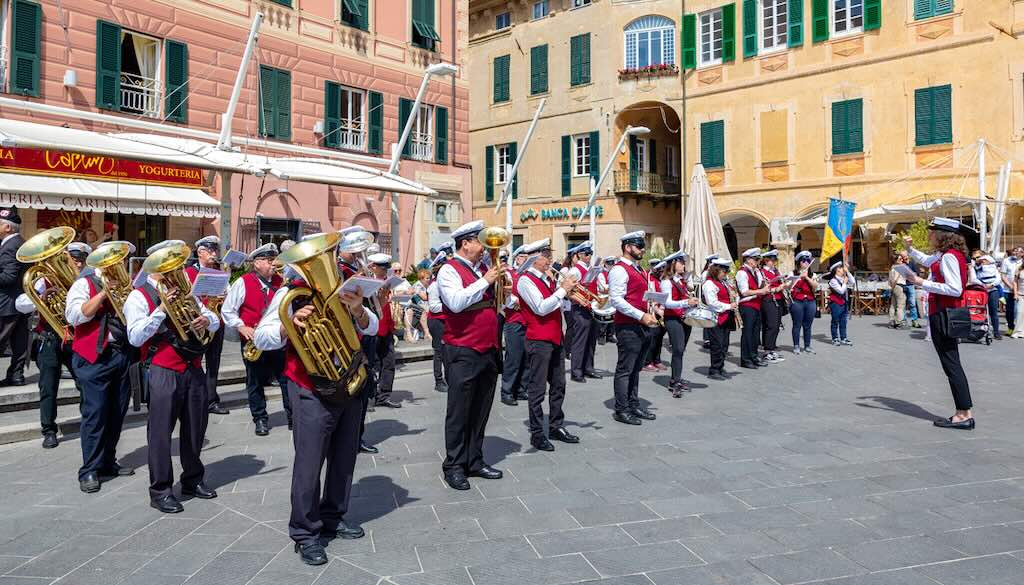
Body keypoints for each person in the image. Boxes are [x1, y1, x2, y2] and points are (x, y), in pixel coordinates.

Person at [253, 253, 377, 566]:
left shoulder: (348, 289)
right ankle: (305, 532)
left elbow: (373, 328)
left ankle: (333, 515)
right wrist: (287, 324)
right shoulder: (288, 293)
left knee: (345, 455)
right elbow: (261, 337)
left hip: (349, 381)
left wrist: (359, 310)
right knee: (309, 462)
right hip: (310, 387)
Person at [126, 243, 220, 513]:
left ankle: (192, 479)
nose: (176, 270)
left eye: (177, 265)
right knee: (160, 433)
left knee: (195, 427)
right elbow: (135, 336)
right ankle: (161, 490)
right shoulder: (138, 296)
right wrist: (162, 310)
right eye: (169, 266)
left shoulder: (186, 291)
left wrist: (205, 320)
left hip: (193, 367)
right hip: (163, 369)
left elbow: (212, 317)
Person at [436, 220, 505, 490]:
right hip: (463, 349)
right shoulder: (448, 271)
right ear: (466, 243)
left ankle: (474, 460)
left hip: (488, 348)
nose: (486, 246)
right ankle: (453, 465)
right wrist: (485, 282)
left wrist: (503, 291)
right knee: (459, 411)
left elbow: (497, 304)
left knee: (480, 409)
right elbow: (455, 303)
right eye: (481, 240)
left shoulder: (484, 268)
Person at [65, 242, 135, 493]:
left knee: (117, 412)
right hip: (93, 357)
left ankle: (107, 461)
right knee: (95, 414)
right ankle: (89, 470)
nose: (116, 265)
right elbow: (74, 316)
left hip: (120, 354)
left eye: (119, 260)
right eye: (112, 260)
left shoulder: (126, 285)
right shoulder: (84, 284)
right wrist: (104, 293)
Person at [901, 219, 976, 429]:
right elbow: (926, 260)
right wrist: (910, 249)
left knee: (951, 364)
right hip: (942, 312)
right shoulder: (945, 255)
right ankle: (964, 411)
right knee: (951, 364)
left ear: (942, 235)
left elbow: (955, 289)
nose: (929, 235)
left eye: (932, 232)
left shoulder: (950, 257)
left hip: (944, 313)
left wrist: (921, 282)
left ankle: (963, 414)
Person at [16, 241, 90, 448]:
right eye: (71, 260)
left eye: (80, 261)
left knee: (85, 382)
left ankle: (89, 421)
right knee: (48, 386)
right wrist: (40, 298)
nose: (76, 264)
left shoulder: (86, 282)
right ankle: (48, 430)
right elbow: (20, 304)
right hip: (50, 338)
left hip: (77, 338)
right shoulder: (45, 280)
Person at [515, 239, 579, 451]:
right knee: (537, 389)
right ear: (534, 258)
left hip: (555, 337)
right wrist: (562, 291)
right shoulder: (525, 281)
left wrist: (570, 295)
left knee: (559, 385)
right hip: (538, 340)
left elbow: (556, 305)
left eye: (549, 255)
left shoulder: (547, 278)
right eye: (546, 255)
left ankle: (555, 425)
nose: (550, 259)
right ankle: (536, 433)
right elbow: (541, 308)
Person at [221, 243, 291, 436]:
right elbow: (227, 310)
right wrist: (241, 326)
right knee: (255, 380)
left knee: (286, 378)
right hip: (254, 340)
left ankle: (292, 415)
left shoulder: (281, 282)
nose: (274, 264)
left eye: (274, 259)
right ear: (257, 263)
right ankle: (260, 418)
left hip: (278, 337)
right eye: (269, 260)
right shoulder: (243, 282)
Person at [607, 231, 659, 426]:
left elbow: (641, 295)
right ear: (628, 247)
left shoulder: (638, 269)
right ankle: (621, 409)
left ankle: (633, 403)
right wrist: (641, 315)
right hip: (628, 325)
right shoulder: (619, 270)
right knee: (625, 369)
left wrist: (652, 308)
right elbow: (617, 300)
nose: (643, 249)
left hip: (642, 324)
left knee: (636, 368)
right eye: (639, 246)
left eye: (642, 245)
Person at [185, 235, 230, 416]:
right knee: (194, 360)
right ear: (200, 252)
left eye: (216, 251)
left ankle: (211, 399)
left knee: (214, 361)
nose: (214, 254)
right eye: (210, 251)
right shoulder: (189, 272)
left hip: (216, 321)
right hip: (197, 322)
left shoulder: (218, 271)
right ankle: (195, 396)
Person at [660, 251, 699, 397]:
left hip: (684, 318)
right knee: (677, 349)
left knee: (681, 351)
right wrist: (685, 302)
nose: (684, 265)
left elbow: (683, 298)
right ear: (673, 264)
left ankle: (675, 378)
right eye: (681, 262)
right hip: (672, 319)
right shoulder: (666, 282)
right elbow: (667, 303)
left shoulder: (681, 281)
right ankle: (674, 381)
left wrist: (692, 303)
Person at [0, 207, 29, 387]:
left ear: (8, 228)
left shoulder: (10, 246)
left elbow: (9, 277)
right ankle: (16, 375)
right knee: (19, 341)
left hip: (7, 302)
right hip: (19, 302)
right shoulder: (19, 243)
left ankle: (16, 375)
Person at [367, 253, 400, 409]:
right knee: (371, 364)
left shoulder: (385, 281)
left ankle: (384, 396)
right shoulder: (367, 281)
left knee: (389, 363)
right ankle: (369, 397)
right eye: (383, 267)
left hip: (386, 327)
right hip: (372, 328)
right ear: (373, 266)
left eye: (387, 267)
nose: (386, 270)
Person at [566, 241, 601, 383]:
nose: (589, 256)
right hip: (580, 308)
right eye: (586, 254)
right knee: (580, 341)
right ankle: (576, 371)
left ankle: (588, 368)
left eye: (590, 253)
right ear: (579, 255)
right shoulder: (575, 270)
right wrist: (579, 300)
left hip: (591, 307)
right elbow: (565, 289)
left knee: (591, 340)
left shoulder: (591, 268)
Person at [500, 245, 530, 406]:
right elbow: (502, 296)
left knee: (526, 357)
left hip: (528, 320)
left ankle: (521, 389)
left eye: (527, 257)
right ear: (517, 258)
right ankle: (507, 391)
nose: (525, 259)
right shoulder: (508, 273)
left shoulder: (528, 274)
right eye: (522, 256)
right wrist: (513, 301)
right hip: (514, 321)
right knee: (513, 357)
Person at [703, 258, 738, 381]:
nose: (725, 274)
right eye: (724, 271)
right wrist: (729, 306)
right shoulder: (709, 283)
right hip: (716, 318)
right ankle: (714, 369)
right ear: (716, 270)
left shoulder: (723, 282)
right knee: (717, 345)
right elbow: (712, 302)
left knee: (724, 344)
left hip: (726, 317)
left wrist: (734, 298)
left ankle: (720, 367)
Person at [736, 248, 769, 368]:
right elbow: (744, 292)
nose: (758, 262)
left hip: (757, 305)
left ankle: (754, 356)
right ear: (748, 260)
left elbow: (760, 286)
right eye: (756, 259)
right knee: (748, 333)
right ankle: (746, 359)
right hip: (747, 306)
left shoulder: (757, 272)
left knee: (755, 333)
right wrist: (761, 290)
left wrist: (765, 285)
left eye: (758, 259)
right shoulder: (742, 273)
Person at [426, 252, 449, 392]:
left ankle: (448, 378)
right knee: (439, 352)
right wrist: (452, 305)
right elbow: (434, 307)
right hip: (437, 322)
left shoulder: (445, 284)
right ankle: (438, 380)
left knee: (447, 351)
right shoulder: (434, 285)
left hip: (446, 320)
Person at [759, 250, 786, 363]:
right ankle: (767, 350)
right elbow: (762, 287)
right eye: (772, 260)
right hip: (768, 300)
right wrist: (777, 288)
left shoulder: (776, 271)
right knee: (771, 325)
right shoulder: (761, 272)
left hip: (778, 300)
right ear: (766, 260)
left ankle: (771, 347)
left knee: (776, 325)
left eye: (775, 260)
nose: (774, 262)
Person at [790, 251, 817, 354]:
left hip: (810, 301)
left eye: (808, 260)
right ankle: (796, 346)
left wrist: (806, 277)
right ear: (799, 262)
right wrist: (799, 277)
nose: (806, 262)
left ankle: (807, 345)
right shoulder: (793, 273)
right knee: (797, 324)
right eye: (803, 260)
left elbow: (815, 287)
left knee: (808, 325)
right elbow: (789, 286)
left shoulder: (812, 274)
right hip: (797, 301)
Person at [969, 254, 1002, 339]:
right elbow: (973, 279)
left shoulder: (993, 267)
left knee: (993, 311)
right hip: (980, 291)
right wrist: (983, 285)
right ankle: (978, 329)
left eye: (980, 258)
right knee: (979, 310)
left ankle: (996, 332)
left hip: (993, 290)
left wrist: (992, 284)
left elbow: (998, 278)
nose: (979, 260)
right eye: (976, 258)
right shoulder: (974, 268)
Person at [642, 259, 667, 372]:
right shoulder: (648, 278)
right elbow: (648, 296)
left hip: (660, 312)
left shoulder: (660, 279)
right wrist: (656, 309)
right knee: (651, 338)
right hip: (651, 312)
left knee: (659, 338)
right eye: (658, 268)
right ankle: (647, 362)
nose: (661, 270)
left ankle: (657, 360)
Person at [828, 261, 852, 346]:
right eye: (841, 268)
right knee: (835, 321)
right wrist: (845, 283)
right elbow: (841, 291)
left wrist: (848, 272)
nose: (843, 270)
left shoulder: (843, 278)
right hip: (835, 303)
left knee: (843, 321)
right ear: (837, 271)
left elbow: (852, 282)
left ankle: (843, 338)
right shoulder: (832, 281)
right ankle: (835, 338)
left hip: (844, 302)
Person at [1000, 246, 1023, 334]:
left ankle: (1019, 329)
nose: (1016, 253)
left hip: (1021, 290)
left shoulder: (1023, 262)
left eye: (1018, 251)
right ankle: (1011, 327)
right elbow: (1003, 276)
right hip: (1008, 289)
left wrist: (1017, 289)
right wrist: (1012, 287)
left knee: (1019, 310)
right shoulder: (1006, 261)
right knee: (1010, 310)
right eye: (1015, 251)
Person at [404, 269, 431, 342]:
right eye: (427, 278)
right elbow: (424, 298)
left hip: (421, 306)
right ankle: (426, 333)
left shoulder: (426, 286)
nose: (429, 280)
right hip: (417, 305)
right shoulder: (418, 285)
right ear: (421, 278)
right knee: (426, 311)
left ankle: (426, 333)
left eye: (429, 278)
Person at [699, 254, 718, 349]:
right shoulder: (705, 273)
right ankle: (707, 339)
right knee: (707, 317)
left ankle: (712, 337)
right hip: (706, 296)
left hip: (714, 296)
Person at [598, 256, 617, 345]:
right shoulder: (601, 274)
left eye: (612, 263)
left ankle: (610, 335)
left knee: (612, 319)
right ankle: (601, 336)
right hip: (604, 298)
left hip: (612, 297)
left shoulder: (613, 273)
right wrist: (613, 287)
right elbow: (603, 288)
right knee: (604, 320)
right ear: (605, 264)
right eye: (609, 264)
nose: (611, 265)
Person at [888, 252, 908, 329]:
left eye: (901, 259)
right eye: (900, 259)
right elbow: (895, 279)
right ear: (895, 260)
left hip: (894, 287)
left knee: (893, 304)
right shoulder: (898, 268)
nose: (901, 260)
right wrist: (894, 285)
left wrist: (892, 287)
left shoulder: (892, 268)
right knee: (900, 305)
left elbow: (889, 280)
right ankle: (899, 322)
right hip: (899, 286)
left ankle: (891, 321)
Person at [1012, 261, 1024, 339]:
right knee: (1019, 313)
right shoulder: (1019, 269)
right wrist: (1015, 293)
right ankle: (1017, 332)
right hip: (1020, 294)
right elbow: (1015, 282)